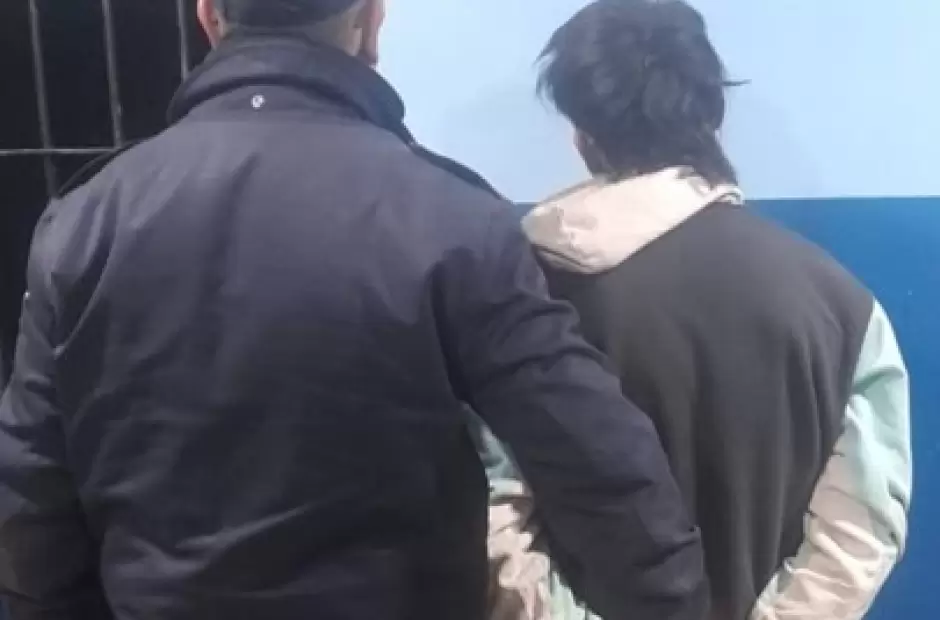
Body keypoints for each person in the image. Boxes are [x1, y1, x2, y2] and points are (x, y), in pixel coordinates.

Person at [0, 1, 710, 619]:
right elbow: (600, 466)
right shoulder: (452, 218)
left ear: (208, 15)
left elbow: (31, 502)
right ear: (371, 22)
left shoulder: (84, 224)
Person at [484, 1, 913, 619]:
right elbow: (861, 533)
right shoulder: (843, 308)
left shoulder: (519, 295)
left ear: (583, 137)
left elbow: (495, 520)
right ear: (713, 116)